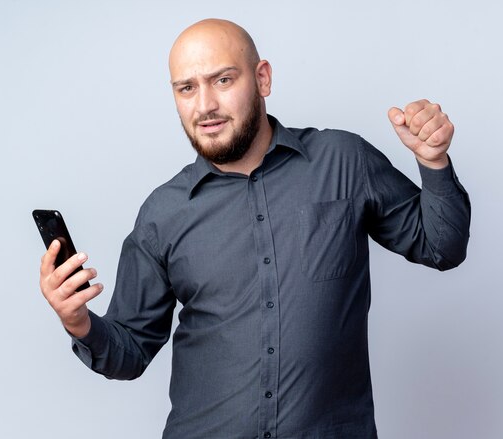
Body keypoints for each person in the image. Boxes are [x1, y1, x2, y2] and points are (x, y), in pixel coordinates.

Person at [39, 18, 470, 439]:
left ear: (262, 78)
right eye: (187, 88)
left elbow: (442, 247)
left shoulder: (343, 161)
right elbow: (129, 352)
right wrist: (78, 321)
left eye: (222, 80)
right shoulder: (162, 214)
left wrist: (433, 162)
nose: (204, 105)